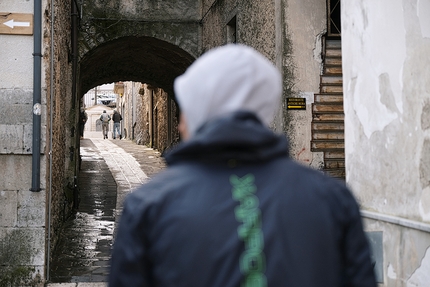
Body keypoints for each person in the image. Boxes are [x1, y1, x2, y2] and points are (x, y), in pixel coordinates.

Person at [109, 45, 376, 287]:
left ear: (198, 110)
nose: (179, 125)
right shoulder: (332, 199)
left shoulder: (149, 205)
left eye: (185, 110)